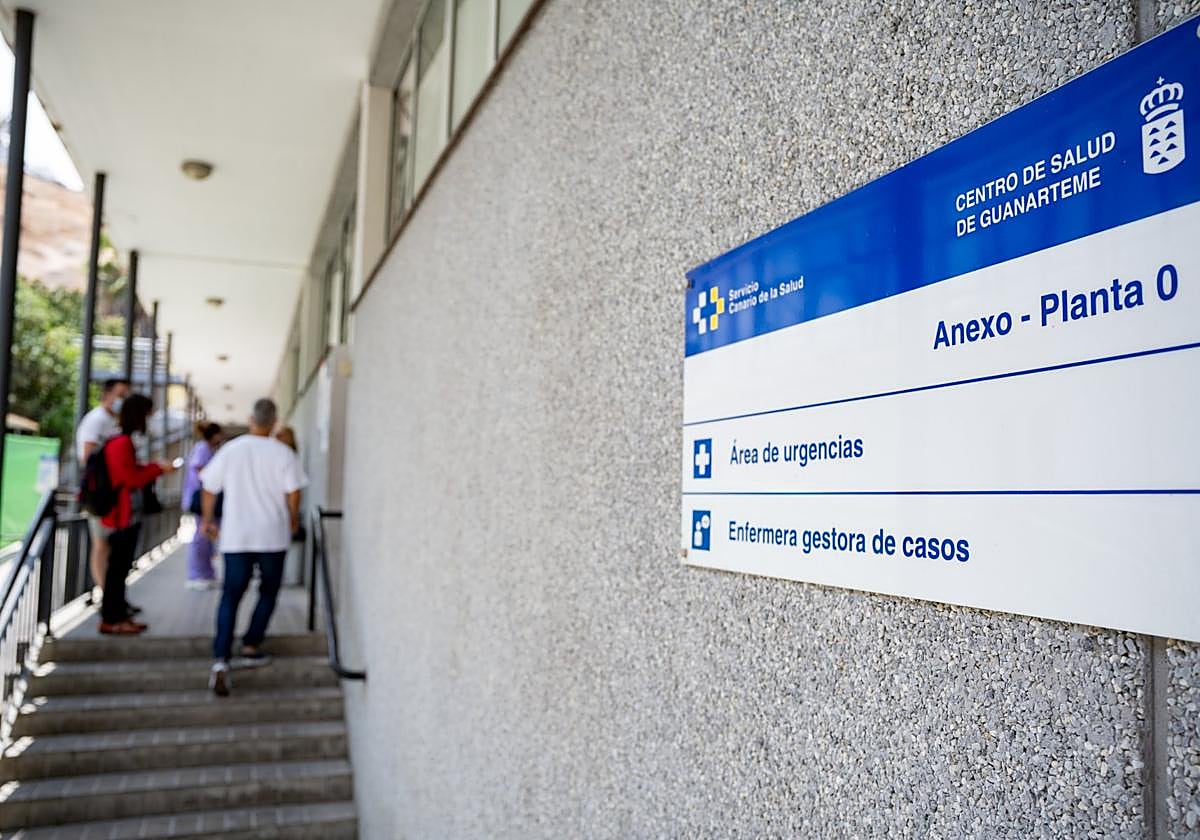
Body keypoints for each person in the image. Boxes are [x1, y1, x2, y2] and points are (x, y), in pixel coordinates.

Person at [202, 398, 307, 696]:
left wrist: (208, 520)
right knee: (268, 591)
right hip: (272, 535)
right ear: (274, 421)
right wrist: (292, 520)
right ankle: (250, 643)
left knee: (231, 595)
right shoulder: (283, 453)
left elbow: (209, 487)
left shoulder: (231, 450)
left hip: (237, 536)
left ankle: (221, 659)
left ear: (251, 419)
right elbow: (294, 492)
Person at [98, 394, 177, 634]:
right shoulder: (121, 443)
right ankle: (112, 619)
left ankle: (119, 615)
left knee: (120, 569)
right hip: (122, 515)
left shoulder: (120, 441)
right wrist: (157, 469)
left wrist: (152, 468)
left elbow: (129, 473)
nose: (151, 419)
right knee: (117, 570)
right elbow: (129, 479)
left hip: (125, 514)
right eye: (149, 414)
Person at [76, 378, 131, 601]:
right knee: (101, 544)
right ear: (107, 395)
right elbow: (89, 457)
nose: (123, 400)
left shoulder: (112, 422)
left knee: (107, 546)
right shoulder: (96, 420)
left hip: (111, 494)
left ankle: (111, 595)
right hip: (100, 494)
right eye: (121, 394)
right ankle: (105, 593)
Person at [182, 422, 223, 589]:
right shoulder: (202, 448)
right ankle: (195, 575)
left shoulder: (208, 449)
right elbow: (200, 470)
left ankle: (206, 573)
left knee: (206, 539)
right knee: (201, 538)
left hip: (208, 500)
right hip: (202, 500)